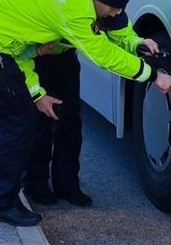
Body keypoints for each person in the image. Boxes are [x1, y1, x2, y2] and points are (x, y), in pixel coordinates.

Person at [0, 0, 171, 227]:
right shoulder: (75, 8)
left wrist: (136, 42)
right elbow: (103, 55)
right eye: (112, 8)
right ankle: (1, 203)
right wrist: (150, 74)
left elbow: (18, 51)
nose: (114, 14)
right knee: (19, 122)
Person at [22, 17, 160, 208]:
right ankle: (35, 183)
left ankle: (67, 185)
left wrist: (136, 42)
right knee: (40, 123)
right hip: (33, 54)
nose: (115, 13)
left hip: (65, 55)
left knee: (70, 123)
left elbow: (116, 24)